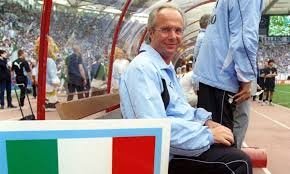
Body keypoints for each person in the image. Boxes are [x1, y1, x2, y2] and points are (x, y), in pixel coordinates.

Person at [119, 4, 252, 174]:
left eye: (178, 30)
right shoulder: (143, 68)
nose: (173, 36)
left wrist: (206, 122)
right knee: (237, 162)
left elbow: (179, 109)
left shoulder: (162, 66)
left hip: (169, 149)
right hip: (157, 156)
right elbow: (154, 128)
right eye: (166, 30)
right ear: (151, 32)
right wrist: (207, 135)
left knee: (228, 146)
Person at [194, 0, 264, 146]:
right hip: (222, 79)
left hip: (212, 76)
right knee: (222, 146)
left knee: (212, 143)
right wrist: (246, 80)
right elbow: (245, 38)